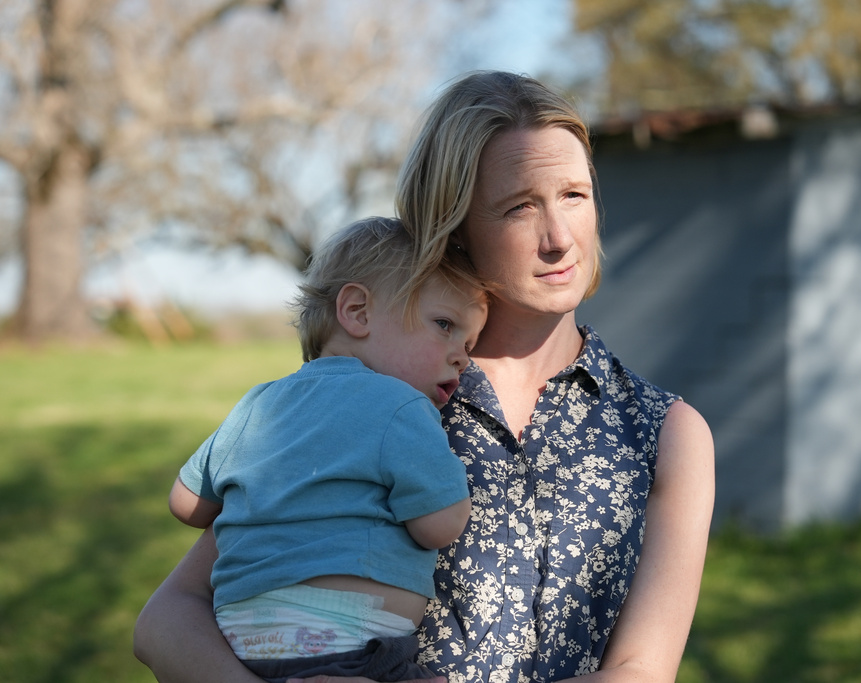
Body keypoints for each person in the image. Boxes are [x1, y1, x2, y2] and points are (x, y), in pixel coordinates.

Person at [135, 70, 715, 683]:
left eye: (574, 195)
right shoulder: (378, 394)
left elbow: (640, 673)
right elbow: (169, 617)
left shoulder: (664, 432)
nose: (560, 239)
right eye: (520, 205)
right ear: (454, 228)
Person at [165, 216, 488, 683]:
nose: (462, 355)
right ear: (357, 311)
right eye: (444, 325)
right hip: (349, 637)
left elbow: (186, 503)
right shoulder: (402, 405)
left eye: (470, 342)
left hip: (240, 639)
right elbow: (440, 526)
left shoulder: (258, 401)